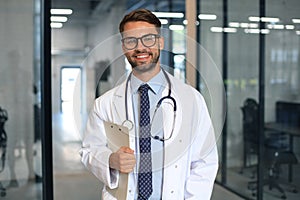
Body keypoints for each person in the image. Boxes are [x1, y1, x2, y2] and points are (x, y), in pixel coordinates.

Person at [80, 8, 218, 200]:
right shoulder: (104, 104)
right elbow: (89, 151)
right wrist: (110, 160)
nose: (140, 48)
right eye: (131, 41)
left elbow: (204, 161)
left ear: (160, 42)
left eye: (148, 39)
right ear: (123, 47)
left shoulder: (191, 99)